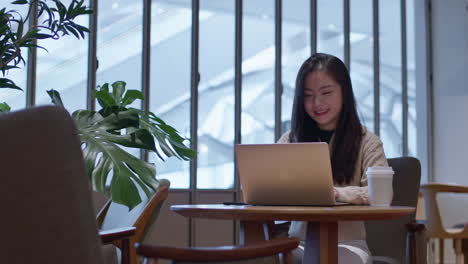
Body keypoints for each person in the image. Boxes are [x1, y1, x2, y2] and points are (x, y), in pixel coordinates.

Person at [277, 53, 388, 264]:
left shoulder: (368, 142)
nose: (317, 103)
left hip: (348, 244)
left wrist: (337, 193)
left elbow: (378, 194)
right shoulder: (290, 140)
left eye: (326, 92)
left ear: (344, 91)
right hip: (297, 242)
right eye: (308, 95)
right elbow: (271, 187)